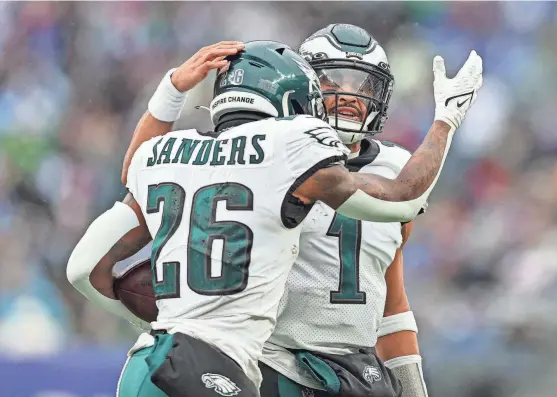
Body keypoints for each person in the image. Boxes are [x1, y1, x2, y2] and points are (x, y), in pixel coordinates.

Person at [68, 38, 482, 397]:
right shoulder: (292, 145)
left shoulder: (167, 154)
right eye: (328, 84)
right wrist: (446, 122)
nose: (347, 96)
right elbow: (403, 197)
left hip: (156, 357)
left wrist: (171, 91)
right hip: (240, 367)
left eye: (362, 85)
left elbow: (116, 206)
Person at [259, 24, 430, 397]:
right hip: (272, 361)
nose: (351, 95)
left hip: (353, 371)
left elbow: (391, 302)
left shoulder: (395, 167)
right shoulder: (271, 152)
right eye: (335, 80)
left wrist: (413, 388)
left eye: (364, 85)